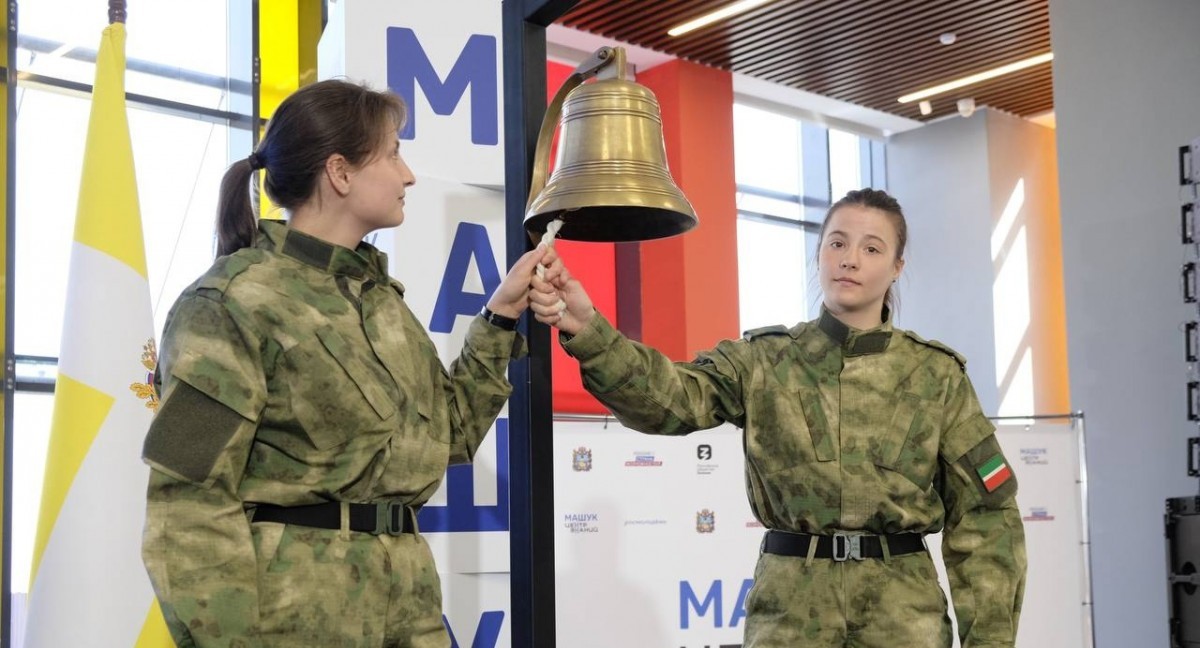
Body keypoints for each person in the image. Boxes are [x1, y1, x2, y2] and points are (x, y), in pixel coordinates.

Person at [140, 78, 546, 647]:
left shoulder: (381, 302)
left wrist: (500, 319)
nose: (408, 175)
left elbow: (448, 437)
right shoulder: (230, 303)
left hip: (411, 606)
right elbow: (187, 503)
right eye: (394, 153)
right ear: (340, 172)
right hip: (295, 622)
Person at [529, 188, 1027, 647]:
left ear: (897, 267)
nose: (850, 259)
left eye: (872, 249)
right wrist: (589, 329)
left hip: (904, 616)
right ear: (819, 255)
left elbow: (985, 520)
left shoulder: (935, 375)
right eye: (837, 243)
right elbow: (670, 398)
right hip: (790, 615)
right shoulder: (764, 360)